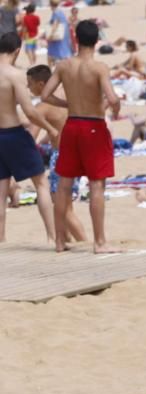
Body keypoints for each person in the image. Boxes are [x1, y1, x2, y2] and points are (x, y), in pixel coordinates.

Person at [41, 19, 120, 253]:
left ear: (76, 39)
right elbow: (112, 97)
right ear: (97, 40)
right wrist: (113, 107)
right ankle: (99, 242)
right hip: (93, 126)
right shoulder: (98, 68)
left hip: (72, 124)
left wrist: (67, 103)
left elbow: (45, 94)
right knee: (96, 184)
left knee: (64, 183)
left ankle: (58, 241)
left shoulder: (64, 65)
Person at [0, 32, 58, 244]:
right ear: (17, 51)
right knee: (41, 183)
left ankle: (1, 239)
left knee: (1, 190)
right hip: (13, 133)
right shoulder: (14, 75)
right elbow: (30, 111)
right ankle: (52, 237)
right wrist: (50, 128)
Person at [25, 63, 85, 243]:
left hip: (62, 156)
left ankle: (84, 242)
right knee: (67, 205)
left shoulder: (44, 106)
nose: (28, 87)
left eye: (30, 83)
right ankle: (66, 238)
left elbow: (31, 137)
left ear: (41, 84)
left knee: (62, 206)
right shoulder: (69, 95)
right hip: (79, 152)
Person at [45, 0, 72, 65]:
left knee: (51, 53)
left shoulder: (56, 12)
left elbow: (55, 24)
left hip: (58, 35)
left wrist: (51, 35)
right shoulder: (61, 12)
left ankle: (50, 68)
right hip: (64, 34)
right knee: (64, 52)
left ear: (50, 4)